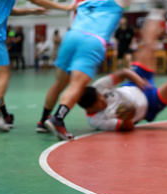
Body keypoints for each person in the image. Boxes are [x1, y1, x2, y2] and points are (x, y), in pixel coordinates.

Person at [0, 0, 75, 132]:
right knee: (4, 73)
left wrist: (31, 11)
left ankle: (3, 115)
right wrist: (65, 7)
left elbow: (7, 10)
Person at [38, 0, 132, 139]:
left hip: (71, 36)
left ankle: (42, 121)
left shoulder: (81, 1)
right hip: (92, 40)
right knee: (77, 84)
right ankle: (57, 118)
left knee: (59, 83)